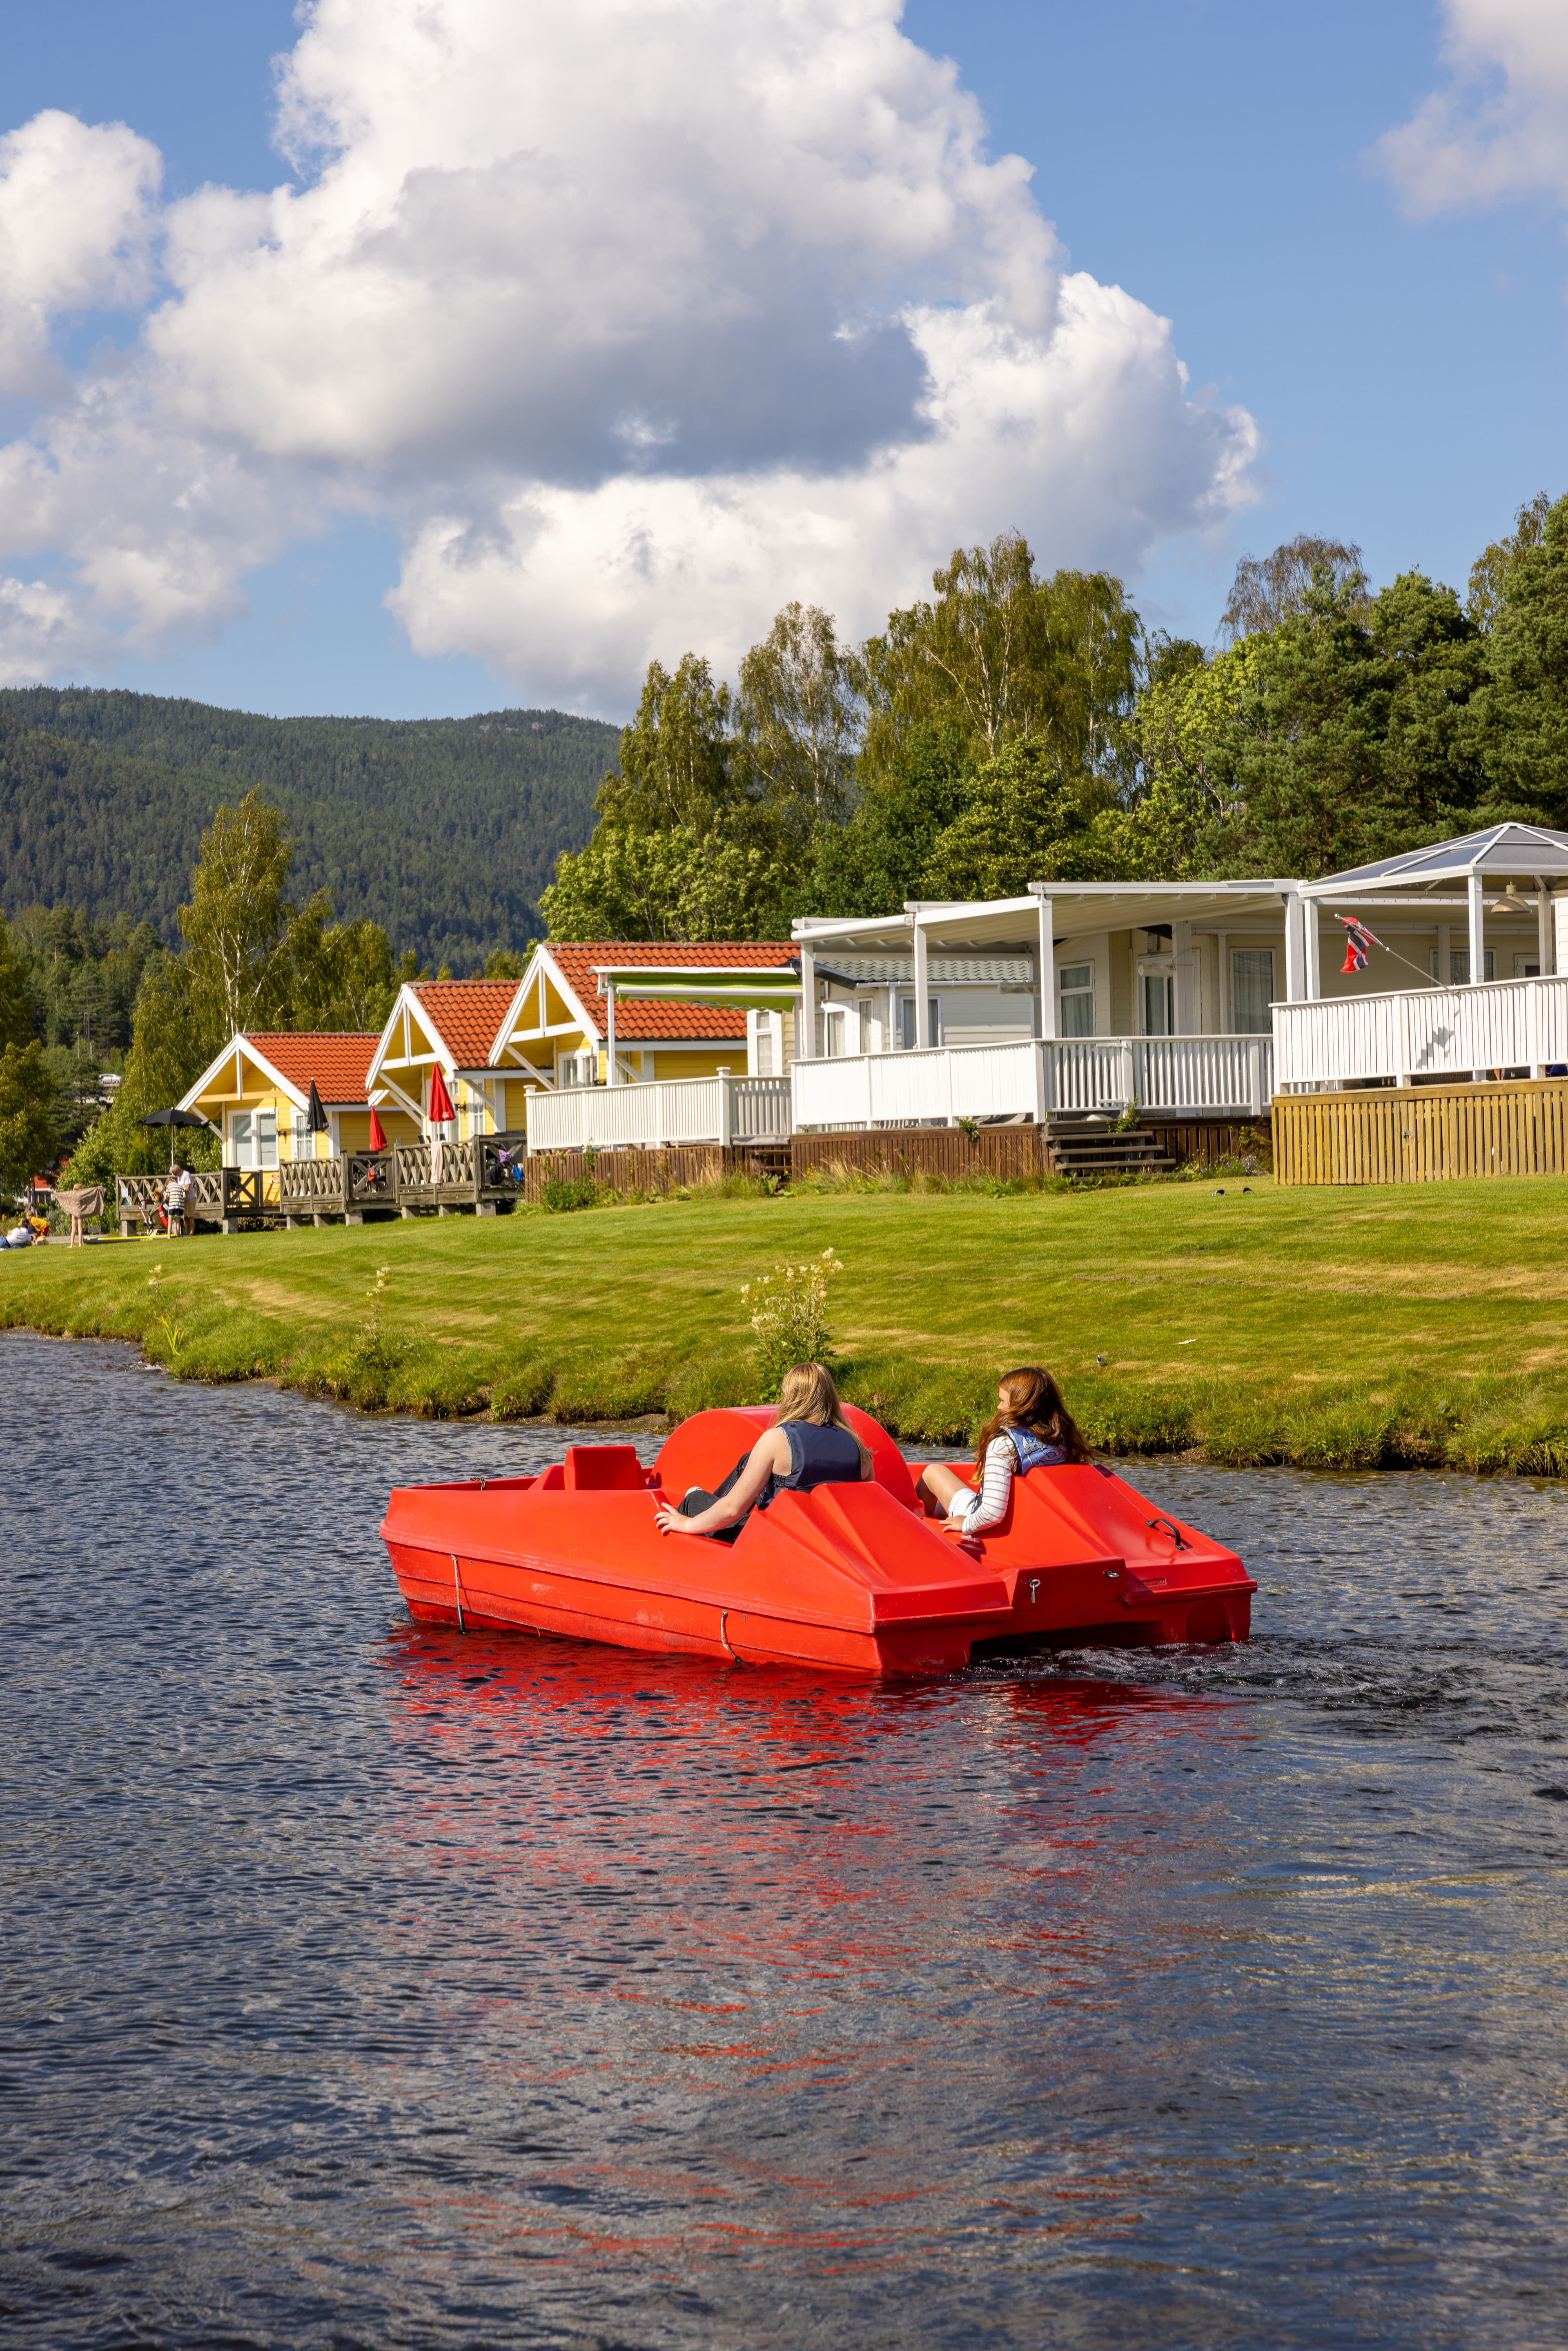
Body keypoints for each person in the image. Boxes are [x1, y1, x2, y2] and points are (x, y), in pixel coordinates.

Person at [655, 1360, 872, 1543]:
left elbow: (732, 1509)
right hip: (830, 1545)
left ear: (792, 1398)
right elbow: (868, 1510)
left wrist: (687, 1523)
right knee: (749, 1461)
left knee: (693, 1500)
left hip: (777, 1544)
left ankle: (700, 1514)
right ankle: (710, 1511)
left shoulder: (777, 1440)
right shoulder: (858, 1448)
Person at [916, 1366, 1090, 1537]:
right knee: (940, 1511)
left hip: (983, 1521)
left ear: (1020, 1405)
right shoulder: (1065, 1439)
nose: (999, 1407)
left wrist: (966, 1523)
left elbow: (992, 1513)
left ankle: (915, 1535)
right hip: (1028, 1520)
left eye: (1002, 1401)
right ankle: (931, 1525)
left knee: (932, 1472)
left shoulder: (1004, 1445)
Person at [163, 1165, 187, 1238]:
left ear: (169, 1183)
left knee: (170, 1220)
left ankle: (169, 1236)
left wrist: (168, 1200)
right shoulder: (180, 1187)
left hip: (172, 1205)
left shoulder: (169, 1187)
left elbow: (166, 1197)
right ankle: (178, 1235)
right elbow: (184, 1196)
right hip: (180, 1206)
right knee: (178, 1221)